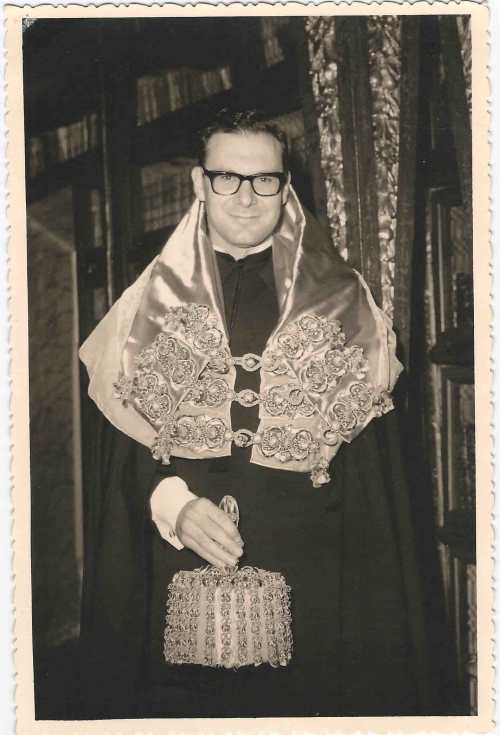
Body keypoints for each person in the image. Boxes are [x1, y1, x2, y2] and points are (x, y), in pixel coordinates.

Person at [78, 109, 435, 719]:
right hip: (179, 569)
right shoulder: (145, 303)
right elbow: (119, 444)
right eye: (228, 178)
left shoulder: (345, 301)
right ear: (200, 183)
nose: (246, 197)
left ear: (285, 186)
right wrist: (173, 504)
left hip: (315, 583)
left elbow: (374, 477)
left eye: (264, 180)